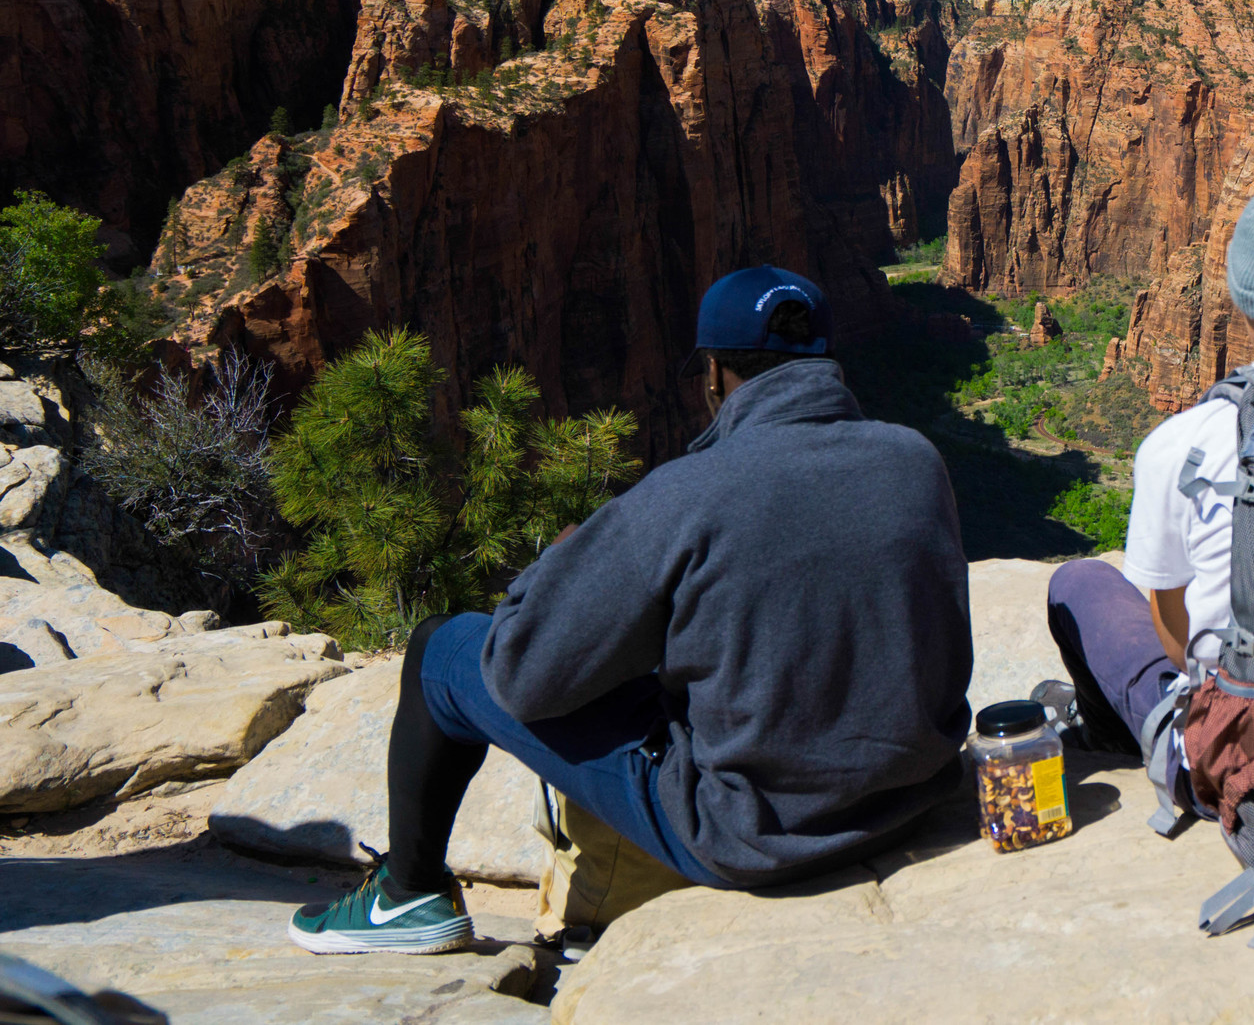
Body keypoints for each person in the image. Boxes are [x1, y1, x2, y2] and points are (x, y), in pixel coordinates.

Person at [287, 266, 973, 955]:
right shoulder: (917, 459)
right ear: (825, 360)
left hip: (750, 833)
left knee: (441, 651)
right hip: (911, 802)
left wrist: (557, 566)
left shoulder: (685, 495)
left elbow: (524, 673)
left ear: (713, 376)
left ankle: (408, 897)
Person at [1036, 177, 1254, 771]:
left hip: (1251, 771)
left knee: (1080, 582)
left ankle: (1121, 739)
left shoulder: (1181, 444)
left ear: (1240, 297)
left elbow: (1176, 639)